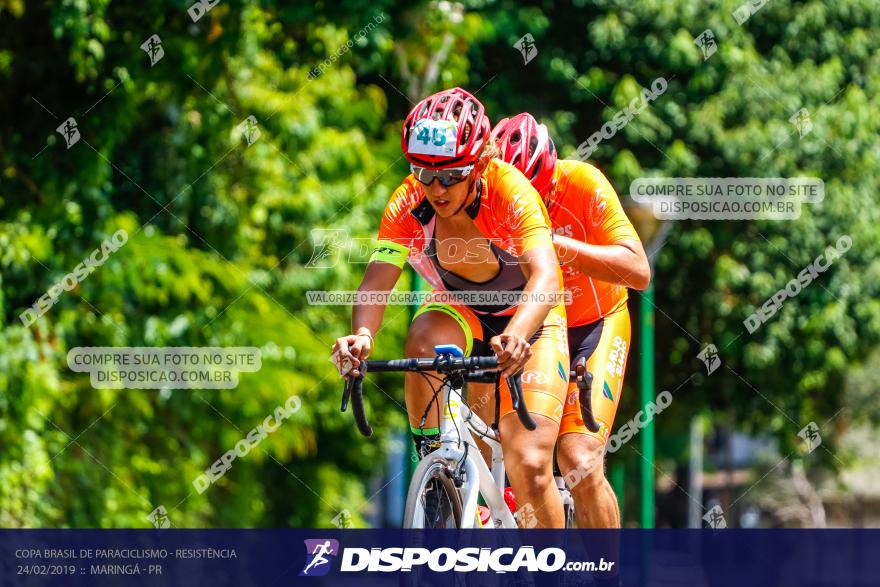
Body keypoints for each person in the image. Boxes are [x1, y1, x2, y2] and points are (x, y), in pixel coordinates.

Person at [332, 88, 570, 528]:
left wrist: (517, 333)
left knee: (531, 465)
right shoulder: (411, 199)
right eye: (423, 172)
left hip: (528, 315)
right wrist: (363, 336)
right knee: (421, 340)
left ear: (478, 164)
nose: (436, 188)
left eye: (452, 175)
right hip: (462, 308)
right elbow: (376, 280)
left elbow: (547, 277)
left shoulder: (509, 190)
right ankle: (437, 471)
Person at [491, 113, 650, 529]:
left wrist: (555, 244)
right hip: (532, 330)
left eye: (536, 198)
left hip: (593, 326)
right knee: (516, 455)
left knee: (577, 458)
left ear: (551, 179)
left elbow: (639, 271)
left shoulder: (583, 183)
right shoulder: (485, 196)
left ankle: (604, 575)